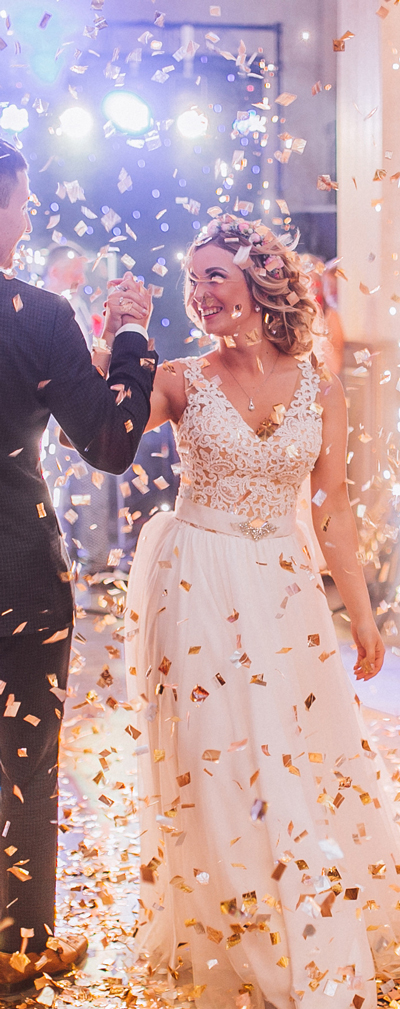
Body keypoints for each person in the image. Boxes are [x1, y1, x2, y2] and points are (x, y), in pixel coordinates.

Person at [124, 214, 400, 1009]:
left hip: (284, 588)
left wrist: (363, 614)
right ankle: (236, 931)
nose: (200, 292)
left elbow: (331, 507)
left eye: (215, 275)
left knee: (294, 754)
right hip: (198, 581)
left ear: (259, 283)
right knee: (216, 756)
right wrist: (119, 340)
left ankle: (307, 916)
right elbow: (105, 432)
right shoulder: (179, 378)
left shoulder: (319, 386)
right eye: (193, 278)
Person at [0, 139, 156, 993]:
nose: (26, 221)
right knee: (22, 758)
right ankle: (18, 944)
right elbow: (109, 439)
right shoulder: (37, 314)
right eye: (22, 203)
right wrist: (128, 337)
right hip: (16, 576)